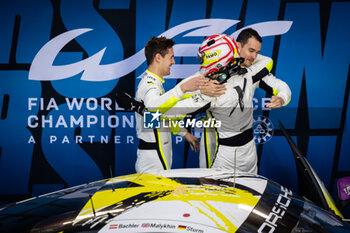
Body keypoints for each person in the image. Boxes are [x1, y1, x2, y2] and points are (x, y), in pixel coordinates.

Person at [166, 33, 291, 174]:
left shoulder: (251, 73)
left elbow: (272, 71)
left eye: (257, 52)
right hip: (219, 151)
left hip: (249, 150)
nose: (254, 57)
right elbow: (164, 113)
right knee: (214, 194)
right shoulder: (205, 84)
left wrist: (282, 97)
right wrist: (184, 133)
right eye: (251, 50)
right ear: (237, 47)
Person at [135, 36, 225, 173]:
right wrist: (182, 88)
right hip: (152, 159)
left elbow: (159, 118)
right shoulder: (149, 85)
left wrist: (185, 134)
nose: (173, 61)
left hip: (157, 153)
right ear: (158, 57)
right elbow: (153, 109)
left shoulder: (155, 83)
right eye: (171, 57)